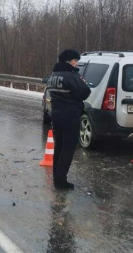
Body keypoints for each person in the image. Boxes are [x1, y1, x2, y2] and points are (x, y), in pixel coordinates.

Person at [46, 49, 91, 190]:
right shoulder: (72, 76)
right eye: (75, 61)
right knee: (68, 147)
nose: (76, 63)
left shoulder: (54, 75)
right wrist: (83, 82)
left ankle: (56, 177)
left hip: (56, 114)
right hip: (70, 114)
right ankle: (61, 181)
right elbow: (84, 92)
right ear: (69, 61)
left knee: (59, 146)